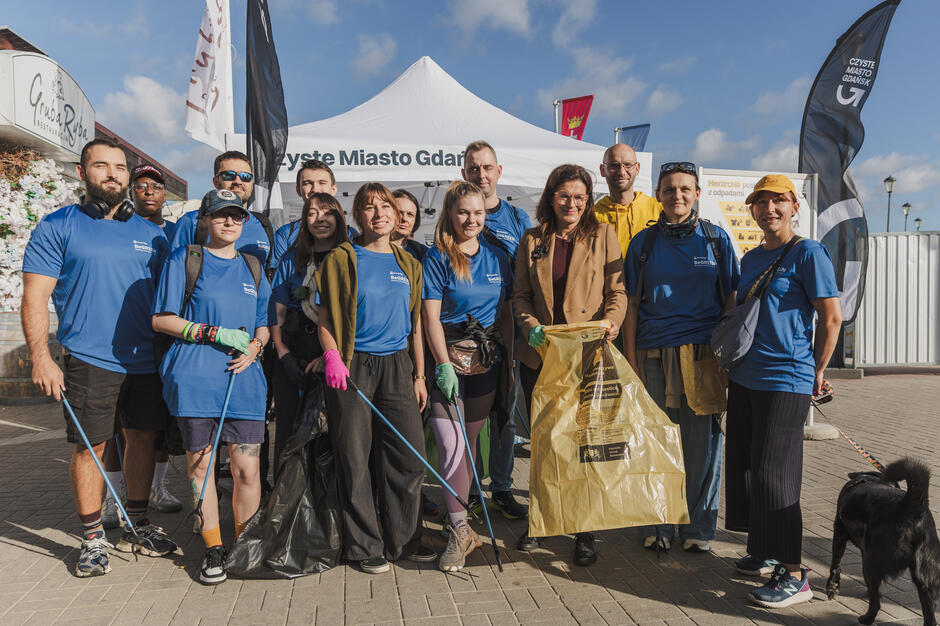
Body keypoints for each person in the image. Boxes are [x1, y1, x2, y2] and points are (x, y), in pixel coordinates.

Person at [21, 138, 178, 577]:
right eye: (101, 166)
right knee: (92, 448)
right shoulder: (57, 226)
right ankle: (92, 538)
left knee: (144, 440)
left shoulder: (153, 234)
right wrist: (41, 357)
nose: (113, 174)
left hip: (146, 360)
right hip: (89, 359)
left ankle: (138, 523)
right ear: (81, 173)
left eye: (120, 168)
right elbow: (35, 297)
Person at [724, 174, 841, 608]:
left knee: (776, 474)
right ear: (752, 210)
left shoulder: (808, 253)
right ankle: (764, 549)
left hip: (787, 378)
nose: (769, 208)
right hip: (745, 376)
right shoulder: (752, 258)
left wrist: (817, 369)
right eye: (761, 202)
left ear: (794, 206)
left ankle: (795, 573)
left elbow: (831, 318)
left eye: (779, 201)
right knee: (747, 468)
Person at [152, 189, 272, 586]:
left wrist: (256, 346)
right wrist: (210, 331)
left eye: (237, 216)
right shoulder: (186, 259)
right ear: (205, 219)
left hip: (245, 384)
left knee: (248, 471)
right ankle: (213, 549)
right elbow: (162, 319)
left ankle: (245, 545)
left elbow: (263, 324)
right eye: (221, 215)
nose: (229, 222)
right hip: (195, 381)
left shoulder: (254, 267)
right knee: (201, 470)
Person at [316, 182, 436, 573]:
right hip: (354, 365)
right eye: (369, 208)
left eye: (385, 206)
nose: (379, 213)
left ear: (397, 216)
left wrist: (419, 375)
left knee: (408, 457)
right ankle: (364, 545)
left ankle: (405, 539)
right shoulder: (341, 259)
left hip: (398, 366)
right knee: (355, 458)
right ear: (358, 217)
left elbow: (416, 325)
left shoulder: (410, 264)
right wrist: (332, 355)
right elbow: (326, 317)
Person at [511, 164, 626, 566]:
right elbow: (520, 296)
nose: (572, 203)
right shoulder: (532, 238)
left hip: (585, 353)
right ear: (551, 197)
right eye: (564, 196)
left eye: (579, 197)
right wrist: (531, 328)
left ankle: (584, 528)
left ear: (588, 199)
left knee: (583, 441)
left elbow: (617, 291)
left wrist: (612, 321)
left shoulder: (602, 234)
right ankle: (541, 520)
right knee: (544, 441)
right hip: (540, 355)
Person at [624, 161, 739, 553]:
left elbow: (731, 301)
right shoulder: (644, 244)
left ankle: (698, 529)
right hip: (653, 353)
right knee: (655, 442)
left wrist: (727, 360)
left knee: (702, 446)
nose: (677, 196)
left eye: (685, 189)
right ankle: (657, 524)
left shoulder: (715, 239)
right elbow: (631, 306)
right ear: (658, 194)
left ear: (697, 194)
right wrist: (632, 361)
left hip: (703, 358)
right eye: (670, 189)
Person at [421, 181, 513, 571]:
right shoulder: (438, 256)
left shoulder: (497, 255)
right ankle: (460, 530)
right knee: (450, 442)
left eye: (478, 213)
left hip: (486, 363)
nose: (471, 219)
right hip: (447, 361)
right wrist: (441, 363)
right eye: (463, 212)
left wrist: (507, 361)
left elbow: (506, 312)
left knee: (470, 441)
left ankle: (462, 517)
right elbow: (429, 314)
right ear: (450, 213)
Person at [460, 140, 530, 521]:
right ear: (464, 173)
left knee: (505, 414)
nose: (481, 175)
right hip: (466, 339)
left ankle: (502, 487)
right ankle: (469, 491)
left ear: (498, 172)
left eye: (487, 168)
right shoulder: (456, 217)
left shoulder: (518, 219)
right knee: (469, 418)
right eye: (473, 168)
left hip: (509, 334)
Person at [270, 192, 347, 471]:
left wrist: (330, 355)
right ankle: (283, 500)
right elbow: (276, 311)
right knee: (290, 427)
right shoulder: (292, 259)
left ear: (339, 217)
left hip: (335, 352)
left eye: (327, 212)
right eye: (312, 213)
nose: (320, 219)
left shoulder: (351, 257)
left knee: (333, 430)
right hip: (293, 348)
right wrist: (283, 354)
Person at [169, 151, 273, 267]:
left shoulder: (264, 225)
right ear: (216, 182)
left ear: (252, 184)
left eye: (245, 177)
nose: (238, 181)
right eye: (229, 175)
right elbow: (175, 270)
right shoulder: (191, 222)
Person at [269, 159, 339, 271]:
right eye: (308, 183)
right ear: (298, 190)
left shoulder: (349, 234)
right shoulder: (285, 234)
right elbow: (277, 277)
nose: (315, 189)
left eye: (322, 183)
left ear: (333, 189)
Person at [595, 143, 661, 258]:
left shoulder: (659, 209)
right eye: (614, 165)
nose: (621, 172)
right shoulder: (592, 215)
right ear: (602, 170)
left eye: (628, 165)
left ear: (637, 168)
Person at [392, 188, 429, 262]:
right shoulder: (371, 249)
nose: (405, 219)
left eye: (410, 214)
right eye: (399, 213)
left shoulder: (423, 253)